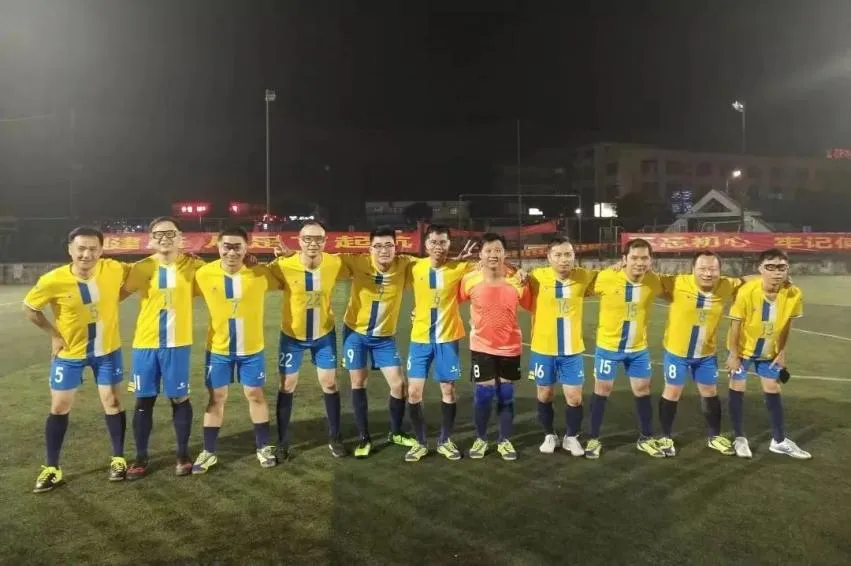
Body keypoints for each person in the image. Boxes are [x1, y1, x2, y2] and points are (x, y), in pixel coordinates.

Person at [24, 226, 129, 492]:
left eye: (93, 249)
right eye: (81, 248)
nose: (86, 254)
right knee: (59, 407)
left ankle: (118, 459)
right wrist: (54, 335)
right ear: (70, 249)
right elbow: (31, 308)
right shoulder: (52, 280)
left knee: (113, 402)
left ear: (101, 251)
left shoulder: (114, 269)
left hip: (107, 352)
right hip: (69, 354)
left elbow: (143, 271)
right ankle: (52, 468)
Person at [191, 227, 282, 473]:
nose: (231, 252)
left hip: (252, 350)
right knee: (216, 398)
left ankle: (263, 446)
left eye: (237, 247)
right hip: (218, 350)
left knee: (255, 394)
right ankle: (209, 451)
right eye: (227, 247)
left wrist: (285, 256)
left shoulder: (260, 273)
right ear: (218, 247)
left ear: (246, 248)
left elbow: (286, 276)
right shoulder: (204, 273)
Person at [120, 217, 206, 478]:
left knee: (179, 398)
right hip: (145, 343)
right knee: (144, 399)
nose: (164, 238)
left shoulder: (195, 266)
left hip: (177, 344)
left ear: (180, 237)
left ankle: (183, 454)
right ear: (150, 239)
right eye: (158, 234)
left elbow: (222, 277)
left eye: (170, 233)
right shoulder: (141, 267)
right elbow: (117, 295)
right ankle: (141, 457)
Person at [268, 220, 347, 459]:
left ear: (325, 241)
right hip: (292, 337)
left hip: (323, 334)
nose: (313, 243)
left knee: (329, 384)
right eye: (307, 239)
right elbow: (258, 275)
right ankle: (282, 442)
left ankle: (335, 437)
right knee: (286, 385)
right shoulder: (283, 265)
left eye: (318, 239)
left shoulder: (335, 262)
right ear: (299, 241)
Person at [725, 248, 811, 459]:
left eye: (781, 267)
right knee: (737, 388)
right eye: (770, 267)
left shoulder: (793, 294)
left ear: (787, 269)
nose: (776, 272)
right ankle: (739, 438)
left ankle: (779, 441)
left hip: (769, 353)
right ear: (760, 269)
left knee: (773, 389)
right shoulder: (747, 292)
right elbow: (735, 326)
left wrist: (782, 352)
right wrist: (734, 355)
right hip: (743, 351)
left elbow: (787, 325)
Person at [656, 251, 743, 457]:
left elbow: (746, 280)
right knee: (672, 392)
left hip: (705, 355)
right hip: (677, 353)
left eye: (713, 269)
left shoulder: (726, 284)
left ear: (720, 271)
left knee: (710, 393)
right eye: (702, 269)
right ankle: (665, 436)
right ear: (693, 269)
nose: (708, 273)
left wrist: (776, 276)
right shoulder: (677, 282)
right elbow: (647, 278)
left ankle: (714, 437)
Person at [586, 238, 665, 459]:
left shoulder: (654, 281)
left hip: (638, 348)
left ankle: (646, 438)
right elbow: (583, 288)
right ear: (624, 259)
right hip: (608, 347)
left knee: (643, 390)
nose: (639, 262)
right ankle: (593, 438)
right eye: (634, 258)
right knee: (602, 390)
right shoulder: (606, 277)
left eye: (644, 258)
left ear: (650, 260)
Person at [341, 226, 416, 458]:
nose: (384, 250)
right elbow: (322, 262)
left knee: (399, 385)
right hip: (356, 334)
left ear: (396, 247)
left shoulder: (406, 264)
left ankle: (396, 432)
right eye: (378, 246)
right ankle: (364, 437)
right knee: (358, 382)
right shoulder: (357, 262)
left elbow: (433, 267)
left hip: (384, 338)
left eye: (388, 245)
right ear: (370, 248)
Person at [404, 224, 477, 462]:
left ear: (449, 244)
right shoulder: (414, 267)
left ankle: (445, 441)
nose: (438, 247)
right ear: (425, 244)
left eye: (443, 242)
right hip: (420, 339)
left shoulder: (460, 268)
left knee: (448, 390)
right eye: (434, 242)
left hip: (447, 339)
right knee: (414, 392)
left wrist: (518, 273)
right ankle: (420, 442)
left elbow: (489, 267)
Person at [459, 232, 530, 461]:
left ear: (504, 254)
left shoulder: (517, 281)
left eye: (497, 250)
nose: (493, 255)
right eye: (488, 250)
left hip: (510, 347)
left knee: (506, 395)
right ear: (480, 254)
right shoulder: (469, 280)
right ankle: (481, 439)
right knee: (484, 395)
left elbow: (534, 305)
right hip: (481, 346)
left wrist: (522, 273)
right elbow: (450, 301)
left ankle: (504, 440)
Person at [527, 237, 596, 457]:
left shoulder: (584, 276)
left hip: (572, 350)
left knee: (574, 397)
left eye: (568, 254)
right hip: (543, 348)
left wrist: (620, 266)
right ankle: (549, 435)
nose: (564, 259)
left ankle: (571, 437)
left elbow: (609, 279)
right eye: (558, 255)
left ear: (574, 256)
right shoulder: (536, 276)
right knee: (544, 394)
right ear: (548, 257)